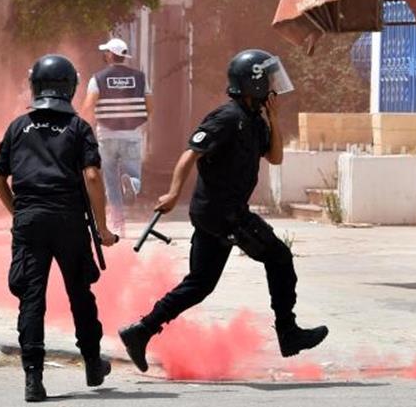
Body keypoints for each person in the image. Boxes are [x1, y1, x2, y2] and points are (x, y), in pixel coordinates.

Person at [118, 49, 328, 372]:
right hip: (223, 213)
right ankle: (288, 332)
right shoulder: (227, 118)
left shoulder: (255, 121)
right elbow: (191, 153)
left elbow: (275, 157)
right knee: (279, 258)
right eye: (268, 81)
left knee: (200, 284)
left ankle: (141, 330)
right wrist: (174, 193)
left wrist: (273, 119)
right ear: (253, 84)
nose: (274, 87)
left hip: (218, 213)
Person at [0, 54, 119, 402]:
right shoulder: (78, 128)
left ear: (36, 86)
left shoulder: (18, 127)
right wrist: (104, 229)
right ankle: (93, 363)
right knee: (80, 293)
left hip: (30, 221)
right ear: (70, 88)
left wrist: (18, 211)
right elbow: (92, 176)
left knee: (31, 298)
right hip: (69, 221)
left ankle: (33, 378)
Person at [79, 37, 151, 237]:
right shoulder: (140, 77)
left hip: (106, 135)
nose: (105, 55)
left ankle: (118, 225)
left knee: (110, 182)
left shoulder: (98, 78)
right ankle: (132, 184)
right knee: (135, 174)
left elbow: (88, 106)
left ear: (111, 55)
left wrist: (82, 127)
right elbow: (150, 106)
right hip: (132, 134)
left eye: (106, 52)